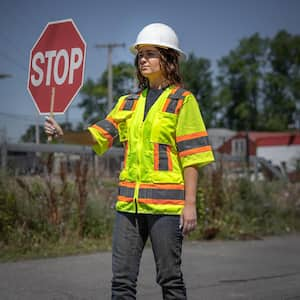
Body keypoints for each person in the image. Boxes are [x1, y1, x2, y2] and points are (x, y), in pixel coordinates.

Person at [45, 22, 215, 300]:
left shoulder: (183, 101)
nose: (143, 59)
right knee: (121, 283)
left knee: (170, 279)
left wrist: (190, 204)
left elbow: (192, 155)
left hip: (166, 207)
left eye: (150, 54)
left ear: (168, 59)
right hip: (128, 206)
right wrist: (65, 134)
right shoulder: (128, 102)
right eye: (140, 54)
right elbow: (98, 136)